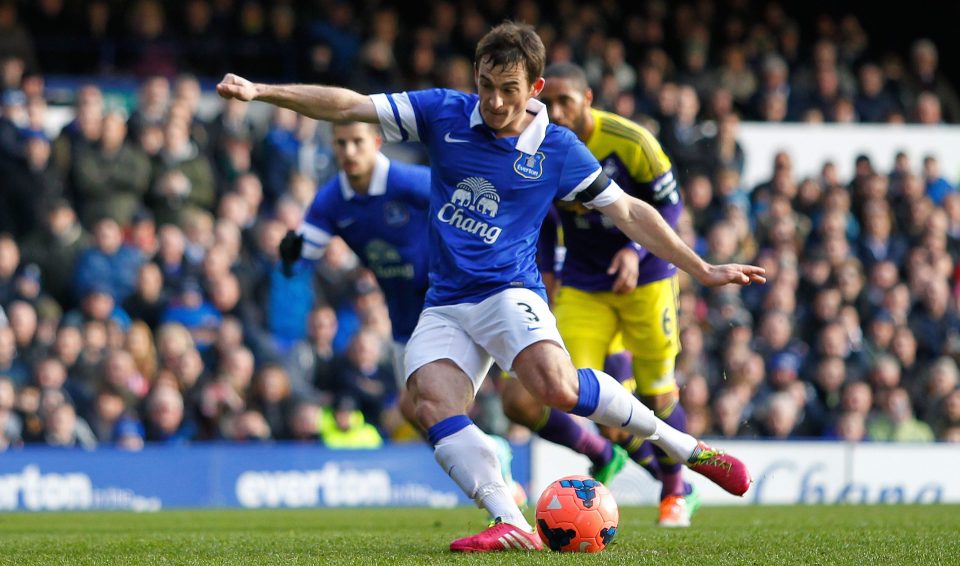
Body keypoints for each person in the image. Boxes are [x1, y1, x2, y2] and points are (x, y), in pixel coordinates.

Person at [218, 21, 764, 553]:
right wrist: (263, 91)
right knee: (430, 403)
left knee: (555, 390)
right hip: (445, 303)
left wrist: (701, 268)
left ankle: (687, 450)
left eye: (509, 90)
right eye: (486, 86)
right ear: (474, 77)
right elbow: (348, 105)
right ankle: (510, 521)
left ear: (535, 89)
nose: (495, 102)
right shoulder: (443, 112)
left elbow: (629, 211)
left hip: (509, 293)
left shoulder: (558, 148)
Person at [504, 61, 696, 527]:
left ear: (588, 99)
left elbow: (670, 206)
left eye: (568, 101)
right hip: (585, 285)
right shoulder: (539, 147)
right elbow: (547, 225)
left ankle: (674, 492)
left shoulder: (632, 142)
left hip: (646, 280)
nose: (558, 111)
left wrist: (635, 249)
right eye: (550, 103)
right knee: (538, 393)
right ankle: (614, 456)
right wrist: (547, 280)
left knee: (657, 392)